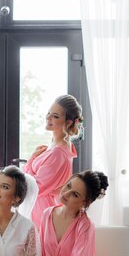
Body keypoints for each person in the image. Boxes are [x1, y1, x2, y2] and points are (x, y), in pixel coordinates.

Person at [23, 94, 83, 228]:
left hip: (42, 211)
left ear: (68, 122)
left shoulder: (58, 153)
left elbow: (35, 187)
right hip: (42, 207)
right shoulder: (58, 147)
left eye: (55, 116)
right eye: (49, 113)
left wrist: (31, 160)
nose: (48, 118)